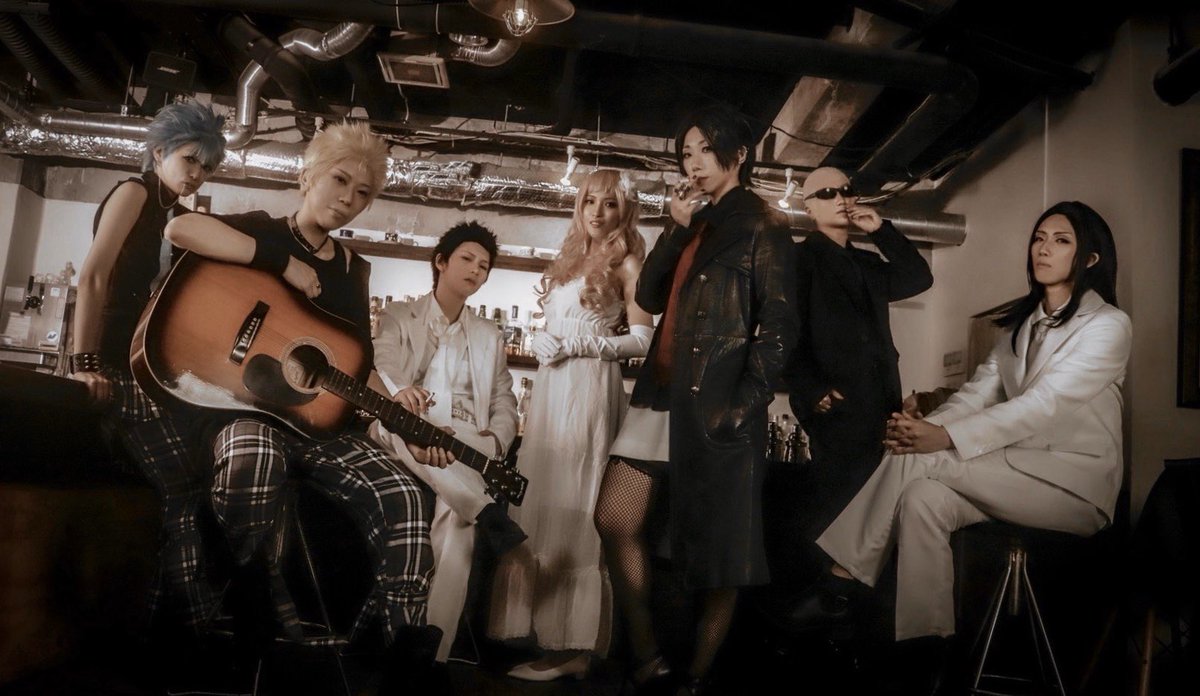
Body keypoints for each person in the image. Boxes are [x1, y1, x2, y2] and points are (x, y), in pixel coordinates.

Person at [799, 201, 1131, 690]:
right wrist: (922, 430)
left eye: (1061, 240)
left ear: (1091, 258)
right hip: (1016, 471)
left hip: (1074, 486)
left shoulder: (1108, 325)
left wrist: (942, 438)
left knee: (925, 460)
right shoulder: (1020, 327)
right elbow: (975, 395)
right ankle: (927, 653)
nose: (1043, 248)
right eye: (1039, 237)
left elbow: (1043, 404)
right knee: (922, 497)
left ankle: (838, 583)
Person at [162, 122, 438, 673]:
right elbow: (181, 228)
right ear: (309, 175)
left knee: (406, 497)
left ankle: (395, 652)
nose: (349, 199)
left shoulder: (354, 271)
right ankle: (221, 609)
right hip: (248, 412)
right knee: (253, 458)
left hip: (319, 427)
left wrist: (401, 421)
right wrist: (279, 262)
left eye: (364, 192)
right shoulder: (261, 229)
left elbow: (355, 366)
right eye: (340, 180)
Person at [625, 105, 797, 695]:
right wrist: (674, 227)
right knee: (615, 518)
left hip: (718, 406)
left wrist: (739, 407)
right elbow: (648, 298)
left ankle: (694, 678)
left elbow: (779, 329)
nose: (694, 163)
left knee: (724, 557)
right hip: (660, 395)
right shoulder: (691, 220)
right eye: (686, 153)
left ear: (739, 155)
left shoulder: (764, 225)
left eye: (705, 149)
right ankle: (647, 656)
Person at [488, 168, 653, 680]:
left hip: (588, 388)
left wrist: (583, 344)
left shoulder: (629, 261)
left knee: (579, 502)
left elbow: (643, 340)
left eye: (609, 203)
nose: (598, 212)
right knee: (545, 497)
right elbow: (559, 325)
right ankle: (545, 636)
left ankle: (573, 648)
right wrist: (544, 338)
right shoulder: (570, 258)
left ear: (624, 209)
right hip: (551, 391)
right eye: (589, 202)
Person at [70, 101, 226, 639]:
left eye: (207, 166)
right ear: (159, 153)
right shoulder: (135, 191)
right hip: (108, 363)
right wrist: (84, 364)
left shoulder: (173, 215)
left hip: (143, 369)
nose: (197, 173)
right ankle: (189, 621)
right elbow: (93, 277)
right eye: (190, 159)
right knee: (181, 486)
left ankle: (162, 618)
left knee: (183, 487)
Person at [368, 221, 524, 662]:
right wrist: (401, 394)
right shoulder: (399, 316)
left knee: (456, 519)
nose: (476, 270)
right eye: (467, 259)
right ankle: (484, 507)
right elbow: (383, 365)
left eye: (484, 266)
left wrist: (495, 441)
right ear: (440, 262)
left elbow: (504, 400)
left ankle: (430, 653)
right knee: (402, 428)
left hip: (465, 438)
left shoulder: (488, 334)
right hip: (402, 425)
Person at [782, 166, 932, 546]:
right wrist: (811, 390)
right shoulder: (798, 259)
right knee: (837, 508)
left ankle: (855, 581)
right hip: (837, 404)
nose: (840, 198)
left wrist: (880, 231)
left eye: (846, 190)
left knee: (878, 512)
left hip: (883, 404)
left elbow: (919, 277)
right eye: (827, 193)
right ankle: (824, 579)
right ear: (808, 207)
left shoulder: (867, 263)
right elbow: (784, 331)